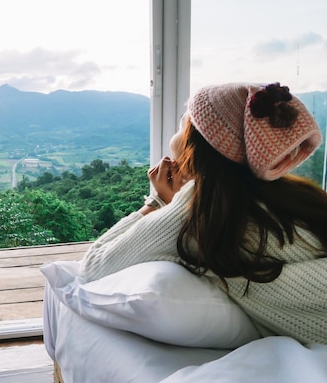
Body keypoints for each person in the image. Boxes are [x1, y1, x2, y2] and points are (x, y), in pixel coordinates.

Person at [80, 82, 327, 344]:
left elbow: (94, 266)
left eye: (181, 125)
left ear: (196, 146)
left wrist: (158, 202)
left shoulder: (198, 215)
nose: (173, 137)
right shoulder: (296, 195)